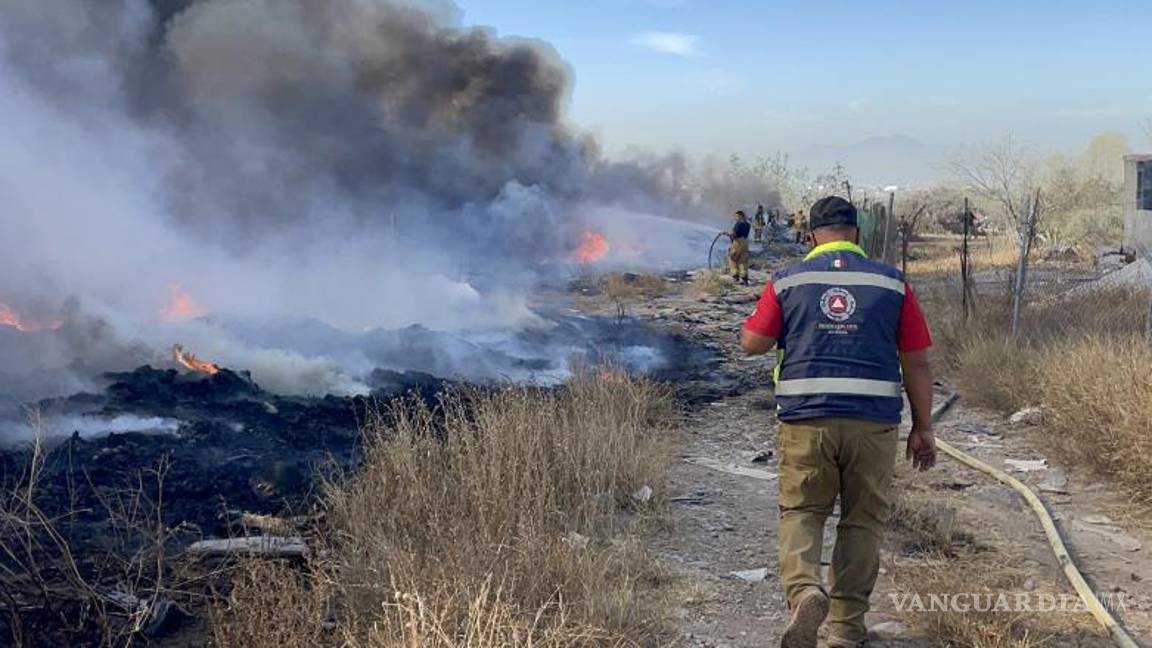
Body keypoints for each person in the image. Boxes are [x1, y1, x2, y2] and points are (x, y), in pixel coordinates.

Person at [739, 196, 936, 648]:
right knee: (862, 521)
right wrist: (923, 428)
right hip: (873, 425)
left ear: (810, 236)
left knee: (803, 511)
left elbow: (752, 343)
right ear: (858, 235)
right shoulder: (893, 283)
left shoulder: (788, 280)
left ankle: (806, 591)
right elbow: (918, 363)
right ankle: (846, 632)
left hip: (807, 421)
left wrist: (758, 325)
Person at [727, 210, 752, 285]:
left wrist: (729, 235)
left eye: (737, 216)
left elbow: (735, 235)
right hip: (745, 243)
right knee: (743, 260)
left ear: (741, 216)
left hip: (737, 243)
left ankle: (735, 276)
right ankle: (744, 278)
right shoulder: (747, 224)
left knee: (733, 258)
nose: (736, 218)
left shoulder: (738, 224)